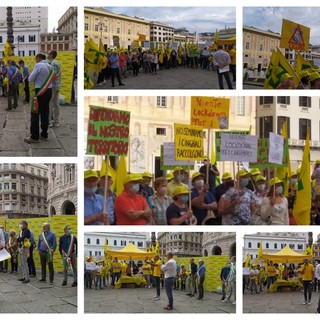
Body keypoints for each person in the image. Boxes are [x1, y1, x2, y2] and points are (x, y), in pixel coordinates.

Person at [24, 53, 53, 143]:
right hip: (49, 90)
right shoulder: (50, 66)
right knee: (45, 113)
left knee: (35, 114)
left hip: (40, 91)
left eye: (35, 58)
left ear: (38, 58)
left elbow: (30, 79)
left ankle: (34, 136)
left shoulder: (38, 65)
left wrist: (31, 74)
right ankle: (44, 134)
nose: (35, 60)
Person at [48, 51, 61, 128]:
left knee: (50, 103)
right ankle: (56, 121)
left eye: (48, 54)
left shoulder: (53, 63)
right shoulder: (54, 63)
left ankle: (50, 121)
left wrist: (47, 83)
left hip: (53, 86)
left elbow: (54, 75)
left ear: (52, 55)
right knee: (56, 103)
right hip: (56, 86)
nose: (47, 55)